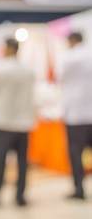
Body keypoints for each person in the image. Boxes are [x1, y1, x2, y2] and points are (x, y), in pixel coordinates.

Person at [0, 38, 35, 206]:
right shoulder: (27, 70)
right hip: (24, 123)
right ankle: (20, 196)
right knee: (22, 162)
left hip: (3, 122)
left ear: (8, 48)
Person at [59, 32, 92, 200]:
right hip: (89, 112)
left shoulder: (70, 58)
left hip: (76, 114)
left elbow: (61, 78)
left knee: (75, 152)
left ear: (72, 40)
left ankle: (79, 189)